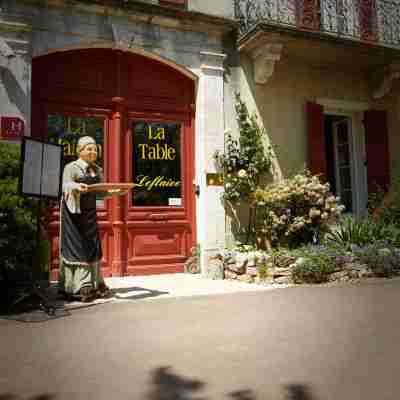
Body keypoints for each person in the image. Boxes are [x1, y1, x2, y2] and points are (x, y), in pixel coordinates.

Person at [59, 136, 123, 302]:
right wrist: (76, 186)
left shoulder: (97, 170)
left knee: (91, 245)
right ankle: (79, 285)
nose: (93, 151)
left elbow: (100, 192)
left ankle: (95, 283)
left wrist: (115, 192)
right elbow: (65, 185)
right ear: (79, 150)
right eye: (89, 148)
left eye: (95, 149)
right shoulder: (71, 167)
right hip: (74, 214)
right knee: (77, 247)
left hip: (89, 213)